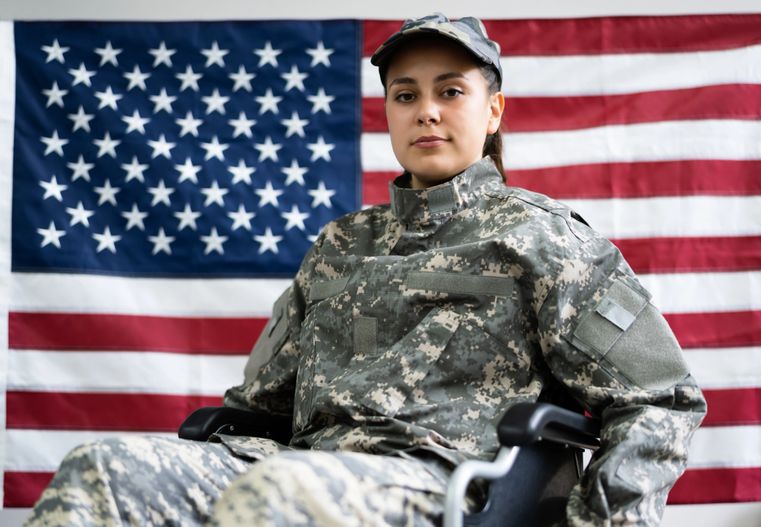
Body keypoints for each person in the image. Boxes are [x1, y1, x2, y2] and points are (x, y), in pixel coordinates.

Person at [25, 14, 706, 527]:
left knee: (281, 496)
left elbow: (661, 400)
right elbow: (255, 409)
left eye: (451, 90)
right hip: (302, 465)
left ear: (492, 109)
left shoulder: (546, 239)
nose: (427, 110)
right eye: (406, 95)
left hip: (447, 482)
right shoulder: (340, 245)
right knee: (102, 471)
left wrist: (603, 520)